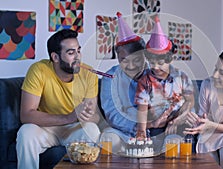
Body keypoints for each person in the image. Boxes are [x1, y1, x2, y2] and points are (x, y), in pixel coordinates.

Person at [16, 29, 101, 169]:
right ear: (55, 57)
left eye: (78, 50)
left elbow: (95, 117)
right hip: (45, 128)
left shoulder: (89, 75)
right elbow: (26, 115)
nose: (78, 57)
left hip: (74, 129)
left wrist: (87, 115)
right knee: (26, 132)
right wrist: (69, 117)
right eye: (71, 53)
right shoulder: (38, 70)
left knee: (92, 129)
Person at [100, 12, 180, 153]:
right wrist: (147, 124)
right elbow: (112, 115)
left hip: (159, 132)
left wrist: (175, 119)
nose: (130, 66)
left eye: (136, 60)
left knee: (175, 141)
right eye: (123, 60)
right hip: (124, 133)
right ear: (117, 58)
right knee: (108, 137)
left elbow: (182, 103)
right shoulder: (110, 78)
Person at [135, 17, 195, 140]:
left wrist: (176, 121)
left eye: (160, 63)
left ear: (170, 59)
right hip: (156, 127)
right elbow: (142, 109)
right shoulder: (145, 81)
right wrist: (142, 130)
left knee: (176, 140)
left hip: (180, 123)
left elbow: (190, 101)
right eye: (152, 63)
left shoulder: (182, 77)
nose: (156, 67)